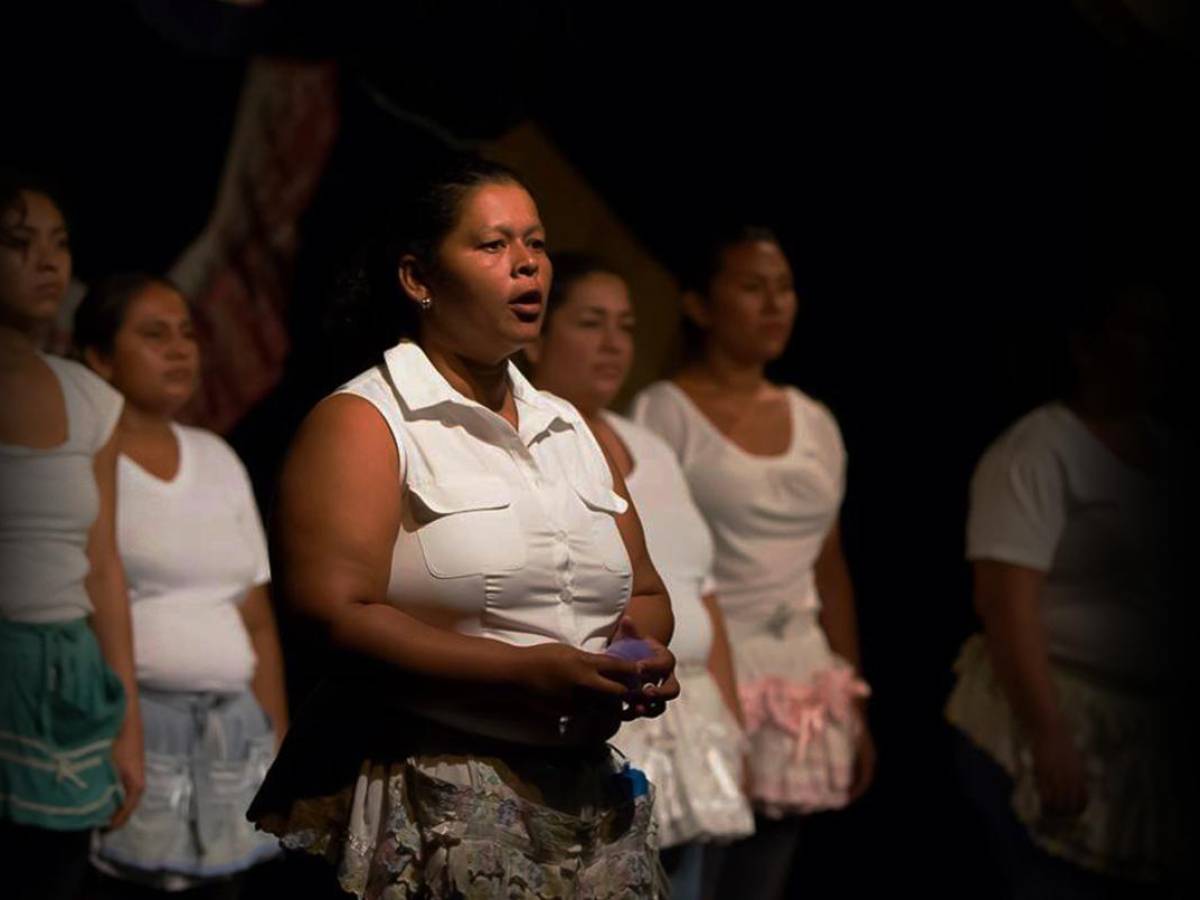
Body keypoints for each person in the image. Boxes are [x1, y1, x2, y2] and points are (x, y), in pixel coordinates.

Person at [247, 157, 678, 899]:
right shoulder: (367, 419)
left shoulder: (566, 423)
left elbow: (642, 588)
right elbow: (333, 614)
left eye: (536, 244)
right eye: (492, 245)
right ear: (418, 278)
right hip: (433, 789)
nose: (526, 264)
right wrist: (524, 670)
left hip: (582, 797)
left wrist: (636, 651)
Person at [632, 226, 874, 900]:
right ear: (700, 305)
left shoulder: (816, 420)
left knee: (760, 883)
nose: (774, 305)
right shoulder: (663, 412)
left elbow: (829, 569)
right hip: (713, 668)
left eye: (784, 289)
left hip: (799, 675)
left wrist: (849, 697)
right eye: (751, 287)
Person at [523, 253, 755, 899]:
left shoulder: (646, 443)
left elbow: (700, 587)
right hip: (613, 730)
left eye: (625, 326)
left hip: (694, 730)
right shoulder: (525, 445)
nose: (612, 344)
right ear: (537, 334)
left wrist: (731, 726)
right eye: (591, 323)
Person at [945, 280, 1173, 896]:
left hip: (1134, 729)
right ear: (1088, 348)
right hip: (1056, 712)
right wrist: (1048, 736)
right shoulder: (1039, 450)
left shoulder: (1159, 442)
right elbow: (1005, 601)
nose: (1155, 348)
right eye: (1137, 332)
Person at [71, 274, 287, 898]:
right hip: (136, 732)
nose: (179, 349)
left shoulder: (217, 457)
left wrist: (275, 741)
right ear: (100, 357)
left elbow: (255, 616)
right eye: (154, 335)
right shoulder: (84, 463)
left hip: (232, 739)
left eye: (188, 334)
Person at [0, 171, 144, 900]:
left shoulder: (92, 400)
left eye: (59, 245)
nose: (49, 263)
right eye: (20, 244)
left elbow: (103, 565)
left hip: (67, 678)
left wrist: (128, 724)